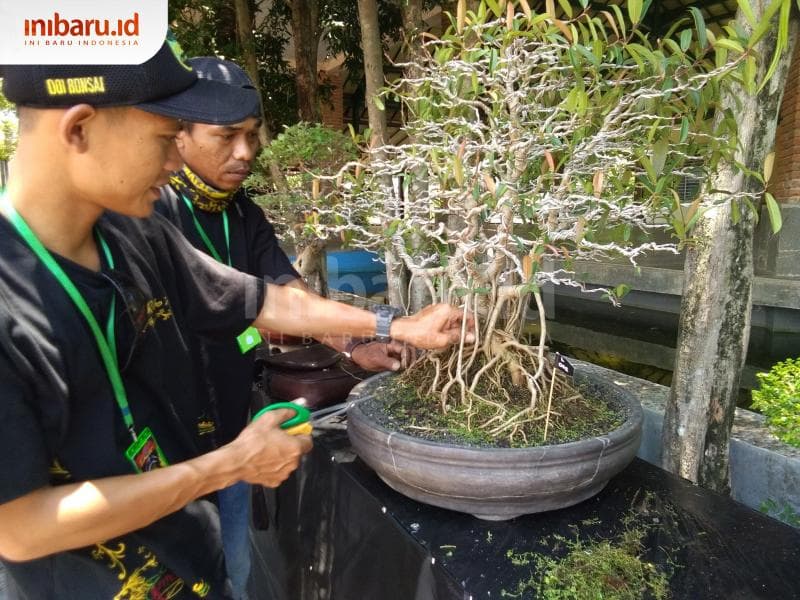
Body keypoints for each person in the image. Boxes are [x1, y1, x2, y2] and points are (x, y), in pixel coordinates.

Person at [0, 38, 469, 599]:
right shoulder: (12, 302)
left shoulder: (130, 231)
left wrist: (397, 326)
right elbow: (20, 529)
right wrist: (229, 465)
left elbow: (262, 298)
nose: (174, 161)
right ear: (79, 128)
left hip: (191, 551)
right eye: (163, 139)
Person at [154, 56, 408, 598]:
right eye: (226, 137)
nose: (245, 153)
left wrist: (358, 343)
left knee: (235, 577)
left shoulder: (243, 213)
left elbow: (287, 294)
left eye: (250, 136)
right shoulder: (149, 211)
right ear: (177, 136)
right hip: (160, 452)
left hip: (233, 432)